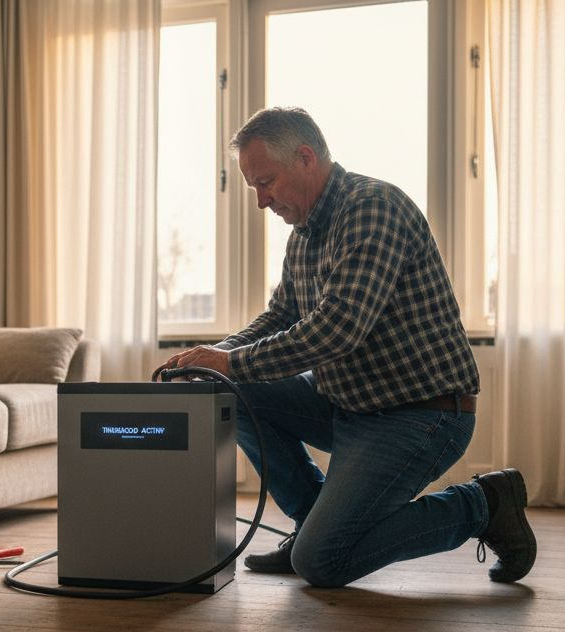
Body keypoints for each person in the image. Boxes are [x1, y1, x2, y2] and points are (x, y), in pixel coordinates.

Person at [160, 107, 535, 588]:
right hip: (350, 404)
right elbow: (281, 316)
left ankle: (484, 505)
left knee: (322, 561)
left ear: (305, 157)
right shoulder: (304, 235)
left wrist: (229, 361)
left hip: (420, 414)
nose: (260, 201)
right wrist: (210, 361)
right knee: (233, 389)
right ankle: (313, 519)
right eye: (254, 186)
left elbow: (337, 330)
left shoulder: (372, 208)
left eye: (265, 182)